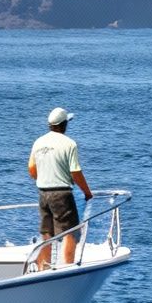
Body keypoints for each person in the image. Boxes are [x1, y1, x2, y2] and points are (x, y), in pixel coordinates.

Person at [29, 106, 93, 269]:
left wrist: (42, 178)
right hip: (62, 194)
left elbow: (31, 168)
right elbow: (76, 172)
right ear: (64, 124)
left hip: (43, 193)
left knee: (47, 232)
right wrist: (87, 192)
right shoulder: (69, 144)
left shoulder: (39, 142)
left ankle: (44, 266)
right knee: (70, 232)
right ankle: (68, 267)